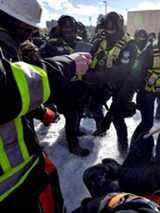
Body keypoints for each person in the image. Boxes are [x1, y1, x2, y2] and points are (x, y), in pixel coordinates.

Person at [0, 0, 91, 211]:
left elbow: (17, 88)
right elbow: (12, 87)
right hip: (10, 186)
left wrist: (40, 111)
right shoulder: (49, 44)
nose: (29, 36)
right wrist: (66, 65)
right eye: (27, 29)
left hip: (23, 164)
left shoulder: (13, 45)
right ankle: (72, 142)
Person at [84, 12, 137, 155]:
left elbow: (124, 72)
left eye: (112, 29)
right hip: (103, 82)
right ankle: (101, 128)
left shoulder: (130, 45)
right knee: (94, 105)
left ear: (119, 28)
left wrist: (99, 76)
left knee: (117, 118)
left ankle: (123, 150)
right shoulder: (100, 40)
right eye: (106, 28)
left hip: (123, 86)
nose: (109, 32)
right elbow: (90, 57)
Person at [41, 15, 93, 157]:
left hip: (81, 85)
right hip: (63, 87)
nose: (68, 29)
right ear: (60, 28)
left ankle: (75, 129)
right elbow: (43, 64)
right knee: (71, 114)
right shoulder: (51, 44)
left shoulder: (82, 42)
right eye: (65, 27)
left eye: (71, 26)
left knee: (79, 111)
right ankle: (73, 144)